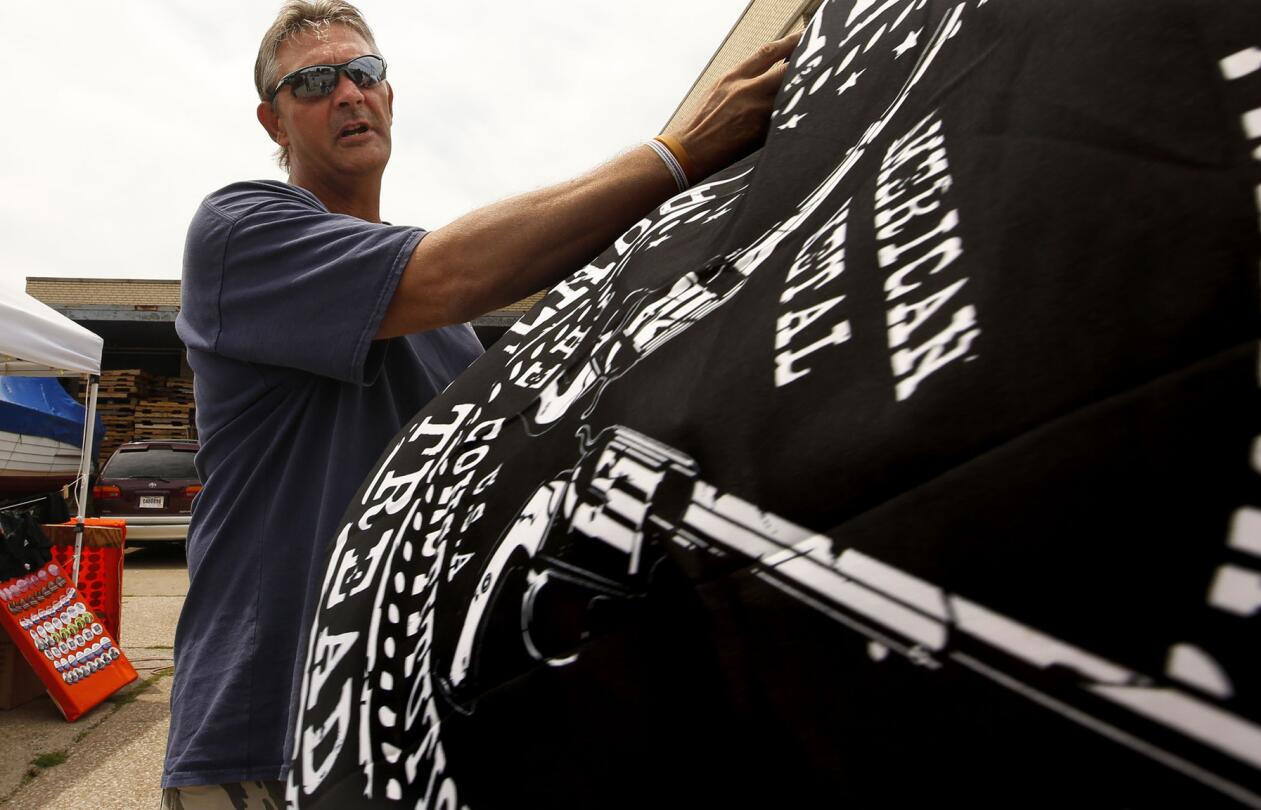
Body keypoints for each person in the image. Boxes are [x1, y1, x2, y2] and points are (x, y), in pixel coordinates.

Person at [161, 1, 800, 805]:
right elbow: (450, 270)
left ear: (390, 95)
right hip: (266, 736)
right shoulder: (240, 230)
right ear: (274, 120)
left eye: (364, 71)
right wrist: (679, 153)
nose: (349, 93)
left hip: (403, 739)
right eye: (315, 81)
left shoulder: (452, 338)